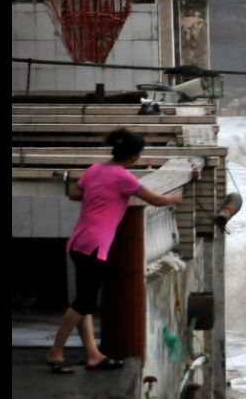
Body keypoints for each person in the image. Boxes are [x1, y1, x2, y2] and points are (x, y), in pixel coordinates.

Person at [45, 128, 184, 373]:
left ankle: (93, 355)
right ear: (133, 157)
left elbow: (75, 193)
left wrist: (100, 195)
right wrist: (175, 197)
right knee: (82, 304)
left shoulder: (95, 169)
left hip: (78, 241)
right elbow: (156, 200)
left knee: (83, 301)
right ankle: (55, 351)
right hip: (96, 245)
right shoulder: (124, 177)